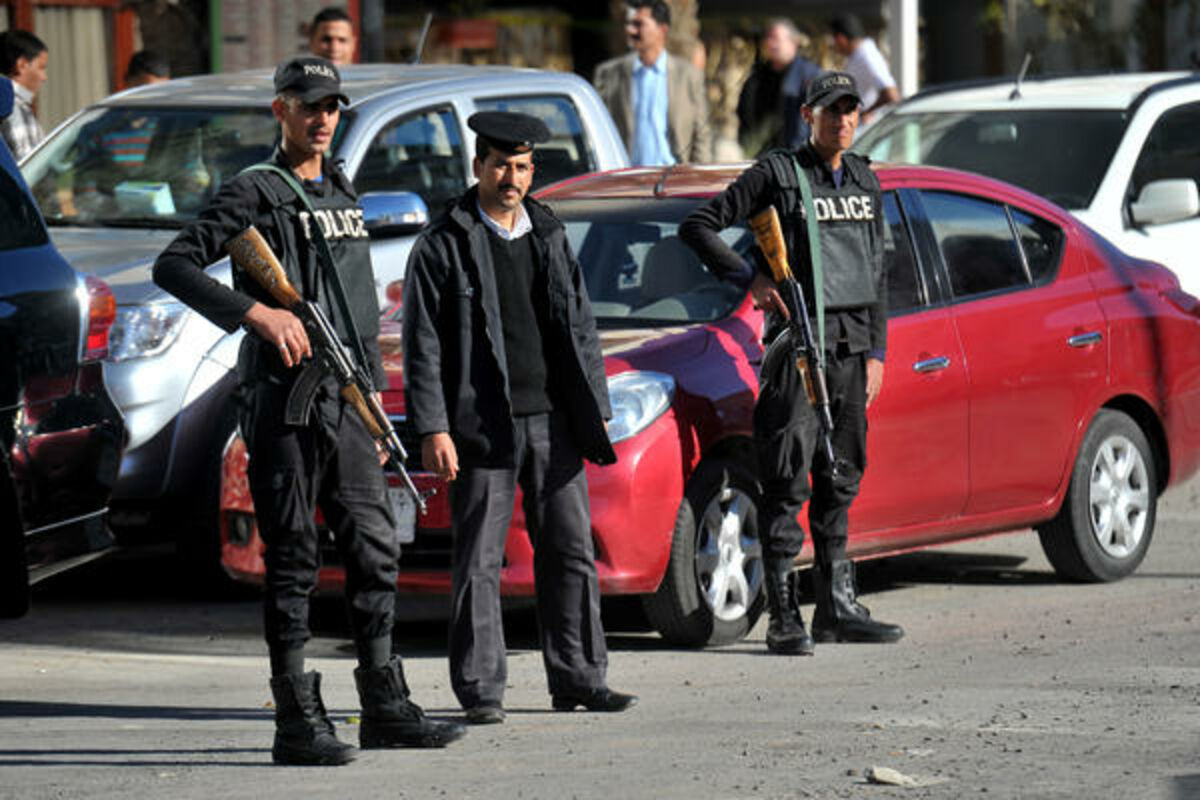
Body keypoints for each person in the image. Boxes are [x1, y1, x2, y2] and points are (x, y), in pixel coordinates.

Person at [153, 55, 465, 766]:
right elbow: (172, 265)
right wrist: (256, 313)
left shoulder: (342, 189)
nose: (322, 118)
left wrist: (373, 402)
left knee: (375, 549)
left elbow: (356, 308)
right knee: (293, 557)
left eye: (331, 107)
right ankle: (296, 720)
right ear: (281, 111)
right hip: (284, 404)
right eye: (308, 105)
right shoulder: (254, 191)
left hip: (347, 399)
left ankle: (384, 705)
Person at [402, 110, 637, 724]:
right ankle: (481, 690)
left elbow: (580, 326)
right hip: (482, 426)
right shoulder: (444, 242)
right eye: (502, 165)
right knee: (479, 561)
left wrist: (594, 410)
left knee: (570, 551)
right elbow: (422, 342)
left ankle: (580, 678)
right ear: (478, 166)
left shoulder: (549, 232)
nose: (513, 178)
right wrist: (433, 427)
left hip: (554, 421)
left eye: (524, 167)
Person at [679, 72, 904, 656]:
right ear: (808, 115)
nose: (843, 120)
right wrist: (750, 278)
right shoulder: (777, 174)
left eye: (851, 110)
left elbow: (877, 274)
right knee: (786, 479)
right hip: (798, 349)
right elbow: (699, 226)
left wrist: (877, 352)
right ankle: (784, 615)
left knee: (842, 474)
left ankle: (837, 607)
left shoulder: (864, 178)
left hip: (852, 349)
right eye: (832, 110)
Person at [592, 0, 712, 166]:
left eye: (638, 24)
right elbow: (599, 130)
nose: (630, 30)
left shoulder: (688, 76)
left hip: (674, 175)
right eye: (629, 24)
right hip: (627, 176)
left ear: (662, 29)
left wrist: (698, 174)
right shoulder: (609, 74)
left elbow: (701, 133)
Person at [736, 18, 821, 158]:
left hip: (799, 158)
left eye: (776, 38)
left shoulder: (809, 76)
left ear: (793, 43)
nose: (771, 43)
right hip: (762, 157)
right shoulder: (757, 78)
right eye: (768, 38)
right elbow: (745, 113)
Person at [828, 14, 900, 122]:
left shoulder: (867, 56)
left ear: (840, 39)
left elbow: (891, 94)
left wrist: (866, 113)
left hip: (868, 129)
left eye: (833, 40)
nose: (833, 46)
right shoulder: (856, 55)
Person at [0, 29, 47, 160]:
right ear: (21, 65)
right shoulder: (14, 108)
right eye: (41, 67)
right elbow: (30, 165)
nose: (44, 77)